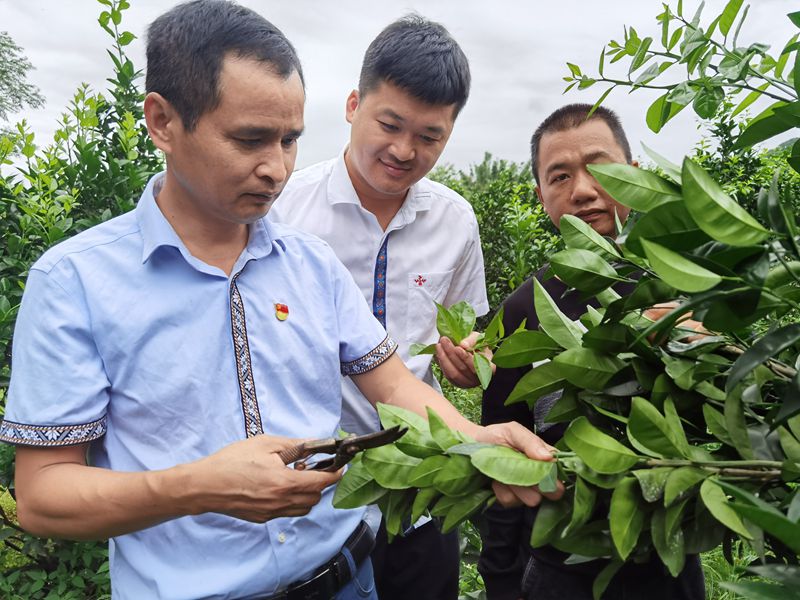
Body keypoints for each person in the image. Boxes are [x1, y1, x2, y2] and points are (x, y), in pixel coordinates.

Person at [0, 3, 558, 599]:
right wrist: (199, 486)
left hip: (348, 580)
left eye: (290, 140)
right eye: (249, 139)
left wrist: (475, 438)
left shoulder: (310, 263)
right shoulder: (75, 282)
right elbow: (43, 497)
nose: (276, 168)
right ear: (162, 121)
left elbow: (395, 386)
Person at [437, 103, 706, 600]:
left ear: (634, 173)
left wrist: (701, 352)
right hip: (560, 569)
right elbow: (504, 454)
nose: (582, 191)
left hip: (668, 562)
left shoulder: (692, 286)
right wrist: (500, 580)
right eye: (559, 176)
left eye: (600, 168)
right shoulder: (524, 308)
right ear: (541, 196)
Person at [270, 15, 487, 600]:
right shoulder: (282, 211)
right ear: (352, 105)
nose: (403, 150)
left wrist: (472, 356)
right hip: (316, 486)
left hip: (422, 481)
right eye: (389, 124)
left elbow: (470, 329)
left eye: (429, 136)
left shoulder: (455, 221)